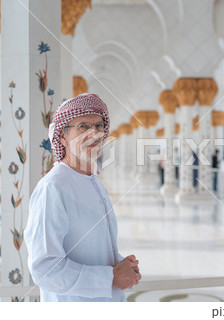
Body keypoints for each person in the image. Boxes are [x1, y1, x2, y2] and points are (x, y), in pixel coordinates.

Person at [24, 93, 141, 302]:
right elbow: (45, 269)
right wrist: (112, 277)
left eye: (98, 126)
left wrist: (123, 265)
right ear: (62, 137)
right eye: (83, 126)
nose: (94, 133)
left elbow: (91, 249)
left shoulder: (95, 184)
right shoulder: (53, 188)